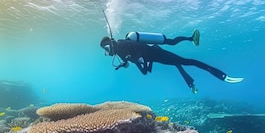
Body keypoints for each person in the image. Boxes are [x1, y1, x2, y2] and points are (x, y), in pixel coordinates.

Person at [100, 29, 243, 94]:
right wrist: (129, 62)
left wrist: (139, 58)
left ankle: (221, 75)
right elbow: (141, 68)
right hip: (154, 56)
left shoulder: (123, 44)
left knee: (186, 61)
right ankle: (191, 82)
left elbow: (138, 49)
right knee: (178, 61)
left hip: (156, 53)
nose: (107, 53)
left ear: (109, 45)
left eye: (106, 49)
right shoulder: (121, 53)